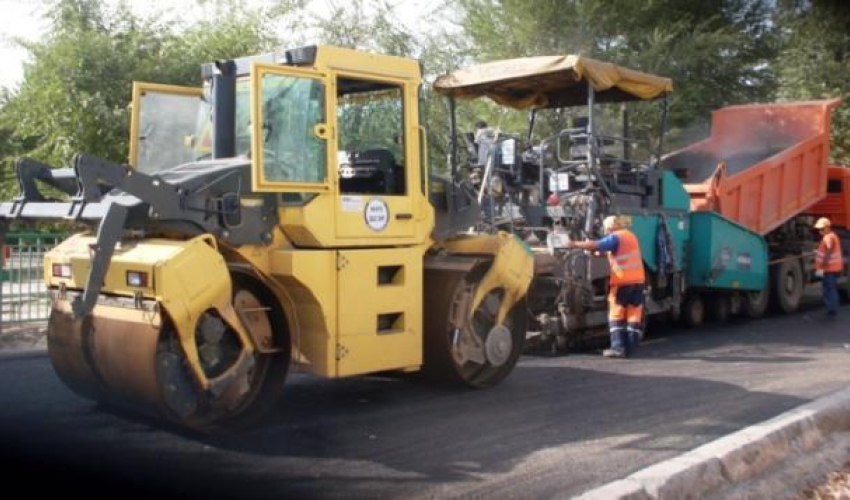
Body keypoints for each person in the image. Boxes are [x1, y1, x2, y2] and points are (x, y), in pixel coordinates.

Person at [567, 215, 646, 358]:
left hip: (623, 283)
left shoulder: (615, 237)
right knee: (633, 314)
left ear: (610, 227)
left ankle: (618, 348)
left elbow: (596, 244)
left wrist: (573, 243)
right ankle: (630, 346)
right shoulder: (630, 236)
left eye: (606, 229)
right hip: (638, 281)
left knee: (616, 314)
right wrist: (597, 253)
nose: (605, 232)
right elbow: (616, 252)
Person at [814, 217, 844, 317]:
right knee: (830, 289)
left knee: (829, 289)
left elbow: (829, 251)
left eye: (821, 229)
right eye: (819, 229)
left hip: (830, 269)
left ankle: (832, 310)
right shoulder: (832, 236)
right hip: (833, 269)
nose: (820, 231)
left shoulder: (828, 237)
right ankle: (831, 308)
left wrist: (822, 267)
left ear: (827, 227)